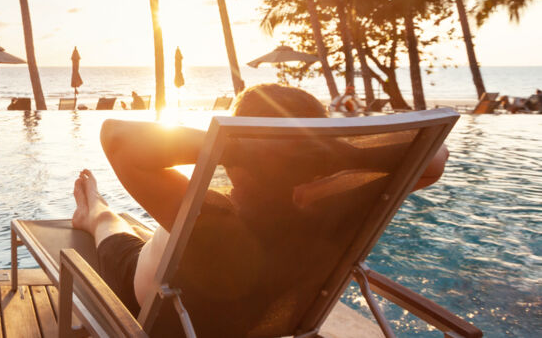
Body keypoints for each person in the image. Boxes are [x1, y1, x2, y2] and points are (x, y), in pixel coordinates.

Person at [69, 83, 449, 329]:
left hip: (153, 295)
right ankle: (107, 215)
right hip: (200, 272)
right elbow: (435, 157)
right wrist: (332, 158)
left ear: (236, 163)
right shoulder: (333, 213)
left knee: (108, 224)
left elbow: (116, 136)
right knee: (154, 230)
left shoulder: (213, 218)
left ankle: (95, 211)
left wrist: (238, 147)